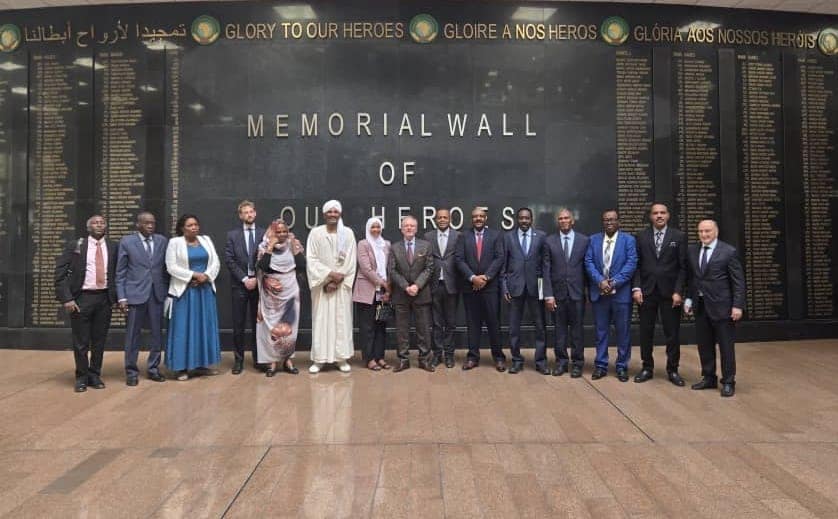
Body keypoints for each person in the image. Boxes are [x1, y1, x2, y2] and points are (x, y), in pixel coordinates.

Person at [54, 215, 118, 392]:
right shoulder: (76, 246)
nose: (99, 225)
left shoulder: (114, 246)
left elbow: (118, 273)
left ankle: (94, 375)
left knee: (99, 340)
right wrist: (67, 298)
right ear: (88, 227)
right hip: (82, 298)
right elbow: (60, 274)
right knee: (81, 341)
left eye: (102, 222)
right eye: (95, 223)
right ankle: (81, 377)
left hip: (104, 298)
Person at [684, 220, 745, 397]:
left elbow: (738, 282)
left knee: (726, 347)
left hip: (723, 307)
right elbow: (693, 278)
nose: (704, 234)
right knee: (704, 345)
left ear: (716, 232)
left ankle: (728, 381)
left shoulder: (728, 252)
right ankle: (709, 377)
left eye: (708, 231)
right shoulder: (692, 251)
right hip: (701, 306)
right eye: (701, 231)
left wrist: (737, 305)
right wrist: (689, 298)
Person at [632, 202, 688, 386]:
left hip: (670, 294)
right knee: (645, 332)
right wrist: (637, 288)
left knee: (672, 334)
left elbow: (683, 267)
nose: (659, 216)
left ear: (668, 215)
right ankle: (647, 368)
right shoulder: (641, 236)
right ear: (650, 216)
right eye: (655, 213)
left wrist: (678, 291)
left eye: (662, 212)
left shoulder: (678, 236)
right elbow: (637, 265)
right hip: (647, 292)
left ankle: (673, 370)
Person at [164, 214, 222, 381]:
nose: (194, 227)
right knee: (183, 329)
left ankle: (201, 365)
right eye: (190, 225)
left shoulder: (206, 240)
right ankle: (180, 368)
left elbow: (216, 262)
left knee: (202, 328)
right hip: (184, 291)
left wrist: (206, 276)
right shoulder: (174, 243)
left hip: (204, 290)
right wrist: (194, 275)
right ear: (182, 228)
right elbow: (171, 267)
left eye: (196, 224)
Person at [116, 211, 168, 386]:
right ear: (138, 224)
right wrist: (122, 297)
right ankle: (131, 371)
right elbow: (120, 272)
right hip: (135, 294)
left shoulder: (162, 241)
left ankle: (153, 368)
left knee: (157, 334)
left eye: (153, 223)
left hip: (156, 294)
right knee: (132, 335)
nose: (151, 226)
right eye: (147, 223)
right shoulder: (127, 242)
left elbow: (165, 268)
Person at [584, 209, 637, 382]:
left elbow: (631, 264)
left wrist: (613, 282)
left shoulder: (628, 240)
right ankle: (601, 365)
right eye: (606, 220)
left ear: (618, 221)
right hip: (600, 294)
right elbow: (588, 262)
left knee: (623, 332)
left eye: (612, 219)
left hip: (621, 294)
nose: (609, 222)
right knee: (601, 332)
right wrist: (600, 281)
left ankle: (622, 366)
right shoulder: (593, 240)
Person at [306, 200, 357, 373]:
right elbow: (311, 259)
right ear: (324, 214)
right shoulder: (315, 233)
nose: (333, 214)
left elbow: (351, 260)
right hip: (322, 286)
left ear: (340, 213)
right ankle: (319, 359)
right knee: (321, 321)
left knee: (341, 322)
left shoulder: (347, 234)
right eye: (330, 211)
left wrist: (337, 280)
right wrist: (328, 277)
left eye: (336, 211)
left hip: (341, 287)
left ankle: (341, 358)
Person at [455, 206, 506, 371]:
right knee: (472, 323)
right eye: (475, 216)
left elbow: (499, 258)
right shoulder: (463, 236)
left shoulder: (496, 235)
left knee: (494, 323)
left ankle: (498, 357)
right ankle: (472, 357)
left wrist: (486, 277)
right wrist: (473, 278)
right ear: (472, 219)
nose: (478, 219)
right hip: (470, 287)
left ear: (485, 218)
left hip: (490, 288)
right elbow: (459, 259)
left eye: (481, 216)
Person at [543, 208, 590, 378]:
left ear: (572, 221)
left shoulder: (584, 241)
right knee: (559, 331)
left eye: (566, 218)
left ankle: (577, 364)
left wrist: (589, 293)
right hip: (557, 295)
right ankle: (561, 363)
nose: (563, 221)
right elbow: (546, 269)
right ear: (558, 222)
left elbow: (588, 268)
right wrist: (548, 295)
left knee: (577, 331)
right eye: (560, 218)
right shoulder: (549, 241)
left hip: (577, 294)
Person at [256, 218, 305, 377]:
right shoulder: (264, 246)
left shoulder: (293, 244)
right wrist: (270, 246)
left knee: (290, 326)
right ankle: (272, 362)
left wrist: (294, 247)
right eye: (278, 232)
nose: (282, 234)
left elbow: (302, 266)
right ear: (272, 232)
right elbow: (263, 266)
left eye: (285, 231)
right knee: (271, 327)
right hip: (271, 293)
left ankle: (288, 360)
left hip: (290, 289)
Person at [502, 207, 547, 374]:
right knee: (514, 328)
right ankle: (516, 360)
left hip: (536, 288)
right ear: (517, 219)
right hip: (515, 288)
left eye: (527, 218)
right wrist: (504, 287)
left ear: (531, 219)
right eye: (521, 218)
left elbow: (545, 264)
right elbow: (503, 265)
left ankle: (541, 361)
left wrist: (545, 289)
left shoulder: (541, 236)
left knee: (540, 327)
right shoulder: (508, 237)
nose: (524, 221)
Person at [388, 215, 436, 372]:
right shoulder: (394, 247)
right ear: (401, 229)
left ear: (416, 229)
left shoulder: (426, 245)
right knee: (402, 330)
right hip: (401, 294)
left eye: (412, 226)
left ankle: (424, 359)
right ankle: (403, 360)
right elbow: (392, 270)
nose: (409, 228)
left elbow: (429, 268)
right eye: (406, 226)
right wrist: (405, 286)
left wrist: (417, 285)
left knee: (423, 329)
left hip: (421, 294)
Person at [224, 200, 266, 374]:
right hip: (240, 286)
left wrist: (256, 278)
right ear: (240, 215)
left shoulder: (264, 233)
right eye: (245, 212)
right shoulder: (232, 235)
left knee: (258, 324)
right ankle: (238, 361)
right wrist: (244, 279)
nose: (249, 214)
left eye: (251, 211)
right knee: (238, 325)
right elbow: (229, 259)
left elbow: (267, 258)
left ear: (255, 213)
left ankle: (259, 359)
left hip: (258, 285)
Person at [353, 217, 392, 371]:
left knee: (381, 325)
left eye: (378, 227)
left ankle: (380, 357)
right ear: (368, 229)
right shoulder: (363, 244)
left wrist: (388, 289)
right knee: (367, 327)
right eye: (373, 227)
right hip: (366, 292)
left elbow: (390, 267)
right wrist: (383, 283)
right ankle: (369, 359)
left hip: (383, 293)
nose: (376, 230)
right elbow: (366, 269)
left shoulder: (386, 244)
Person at [425, 208, 460, 368]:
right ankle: (437, 354)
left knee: (451, 323)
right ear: (435, 220)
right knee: (436, 323)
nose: (442, 220)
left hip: (452, 285)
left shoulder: (458, 236)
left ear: (450, 219)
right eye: (439, 217)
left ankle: (449, 355)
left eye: (445, 217)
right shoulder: (428, 237)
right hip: (434, 285)